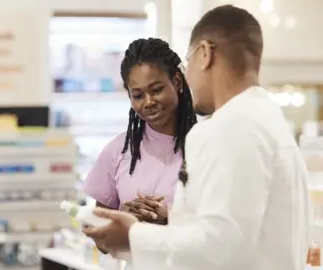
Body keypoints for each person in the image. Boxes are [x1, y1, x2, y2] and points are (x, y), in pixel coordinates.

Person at [83, 5, 310, 270]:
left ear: (205, 54)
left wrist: (135, 235)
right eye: (137, 94)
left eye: (187, 65)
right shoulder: (270, 120)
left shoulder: (227, 128)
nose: (188, 77)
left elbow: (219, 246)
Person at [82, 37, 196, 226]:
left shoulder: (205, 145)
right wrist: (122, 219)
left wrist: (171, 220)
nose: (149, 102)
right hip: (134, 257)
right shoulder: (117, 151)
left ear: (177, 82)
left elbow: (223, 231)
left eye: (157, 90)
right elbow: (98, 233)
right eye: (138, 95)